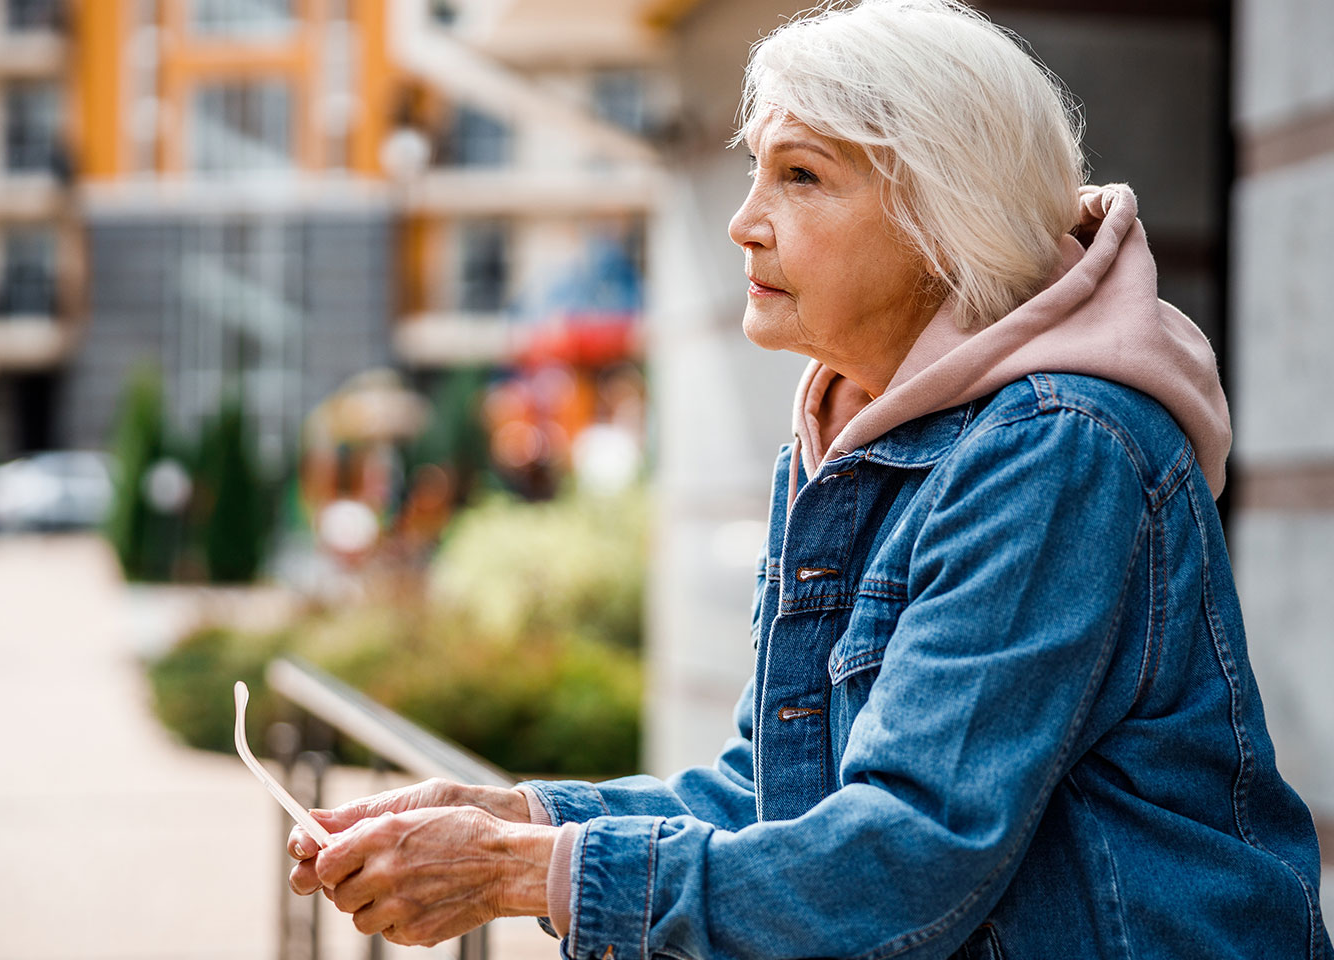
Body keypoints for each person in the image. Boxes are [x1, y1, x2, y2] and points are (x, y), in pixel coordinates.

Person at [287, 2, 1332, 957]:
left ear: (942, 216)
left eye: (801, 176)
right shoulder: (845, 434)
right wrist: (518, 819)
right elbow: (770, 796)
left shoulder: (1056, 447)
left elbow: (910, 854)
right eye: (755, 170)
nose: (745, 220)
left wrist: (523, 875)